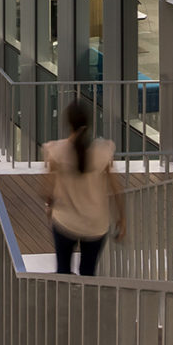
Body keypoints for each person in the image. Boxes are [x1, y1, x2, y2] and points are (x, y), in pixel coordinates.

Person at [40, 101, 124, 276]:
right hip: (96, 224)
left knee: (62, 271)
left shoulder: (55, 151)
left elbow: (46, 191)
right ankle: (87, 302)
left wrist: (50, 206)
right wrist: (121, 219)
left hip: (65, 222)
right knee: (88, 273)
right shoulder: (103, 151)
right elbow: (116, 188)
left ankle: (64, 301)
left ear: (68, 123)